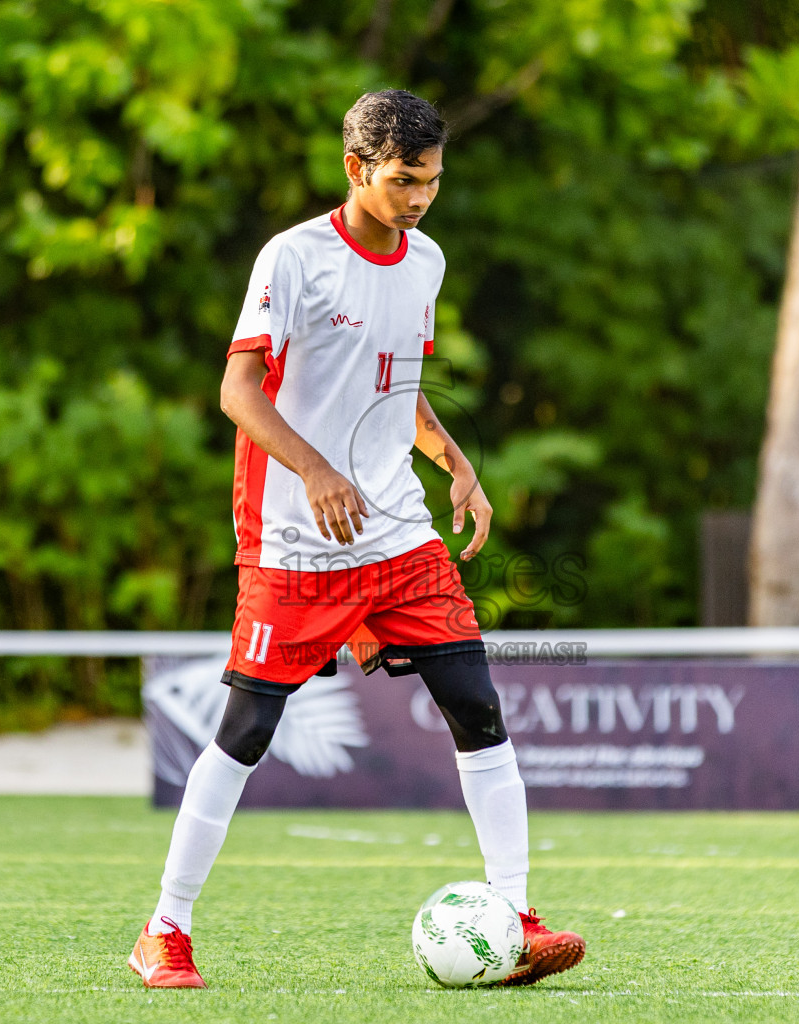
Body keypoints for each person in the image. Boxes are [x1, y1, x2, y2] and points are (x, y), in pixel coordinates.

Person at [128, 89, 584, 990]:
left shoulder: (427, 262)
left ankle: (518, 916)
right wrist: (315, 469)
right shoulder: (293, 259)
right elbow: (239, 391)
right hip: (294, 543)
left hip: (397, 536)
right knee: (247, 731)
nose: (419, 198)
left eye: (433, 181)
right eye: (404, 180)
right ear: (356, 169)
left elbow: (396, 384)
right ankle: (164, 931)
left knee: (478, 707)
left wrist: (453, 459)